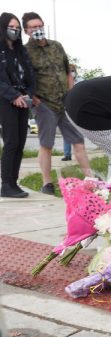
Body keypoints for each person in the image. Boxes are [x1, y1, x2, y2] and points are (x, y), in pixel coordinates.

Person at [22, 12, 92, 195]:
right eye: (33, 27)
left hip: (66, 103)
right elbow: (23, 79)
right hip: (44, 104)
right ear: (26, 31)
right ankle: (47, 183)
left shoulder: (57, 46)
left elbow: (68, 71)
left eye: (40, 26)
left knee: (78, 141)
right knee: (47, 144)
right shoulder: (25, 51)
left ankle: (90, 178)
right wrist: (33, 99)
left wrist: (73, 94)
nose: (38, 30)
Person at [0, 12, 35, 199]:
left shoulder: (21, 51)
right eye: (11, 27)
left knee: (21, 142)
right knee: (11, 142)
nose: (14, 31)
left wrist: (28, 94)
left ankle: (14, 183)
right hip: (6, 101)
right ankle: (6, 184)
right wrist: (13, 96)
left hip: (23, 100)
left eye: (17, 28)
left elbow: (31, 76)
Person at [61, 63, 82, 161]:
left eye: (73, 70)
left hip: (79, 110)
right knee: (67, 133)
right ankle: (67, 155)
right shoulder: (63, 82)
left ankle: (80, 154)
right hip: (66, 110)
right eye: (70, 70)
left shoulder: (80, 81)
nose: (71, 72)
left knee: (79, 134)